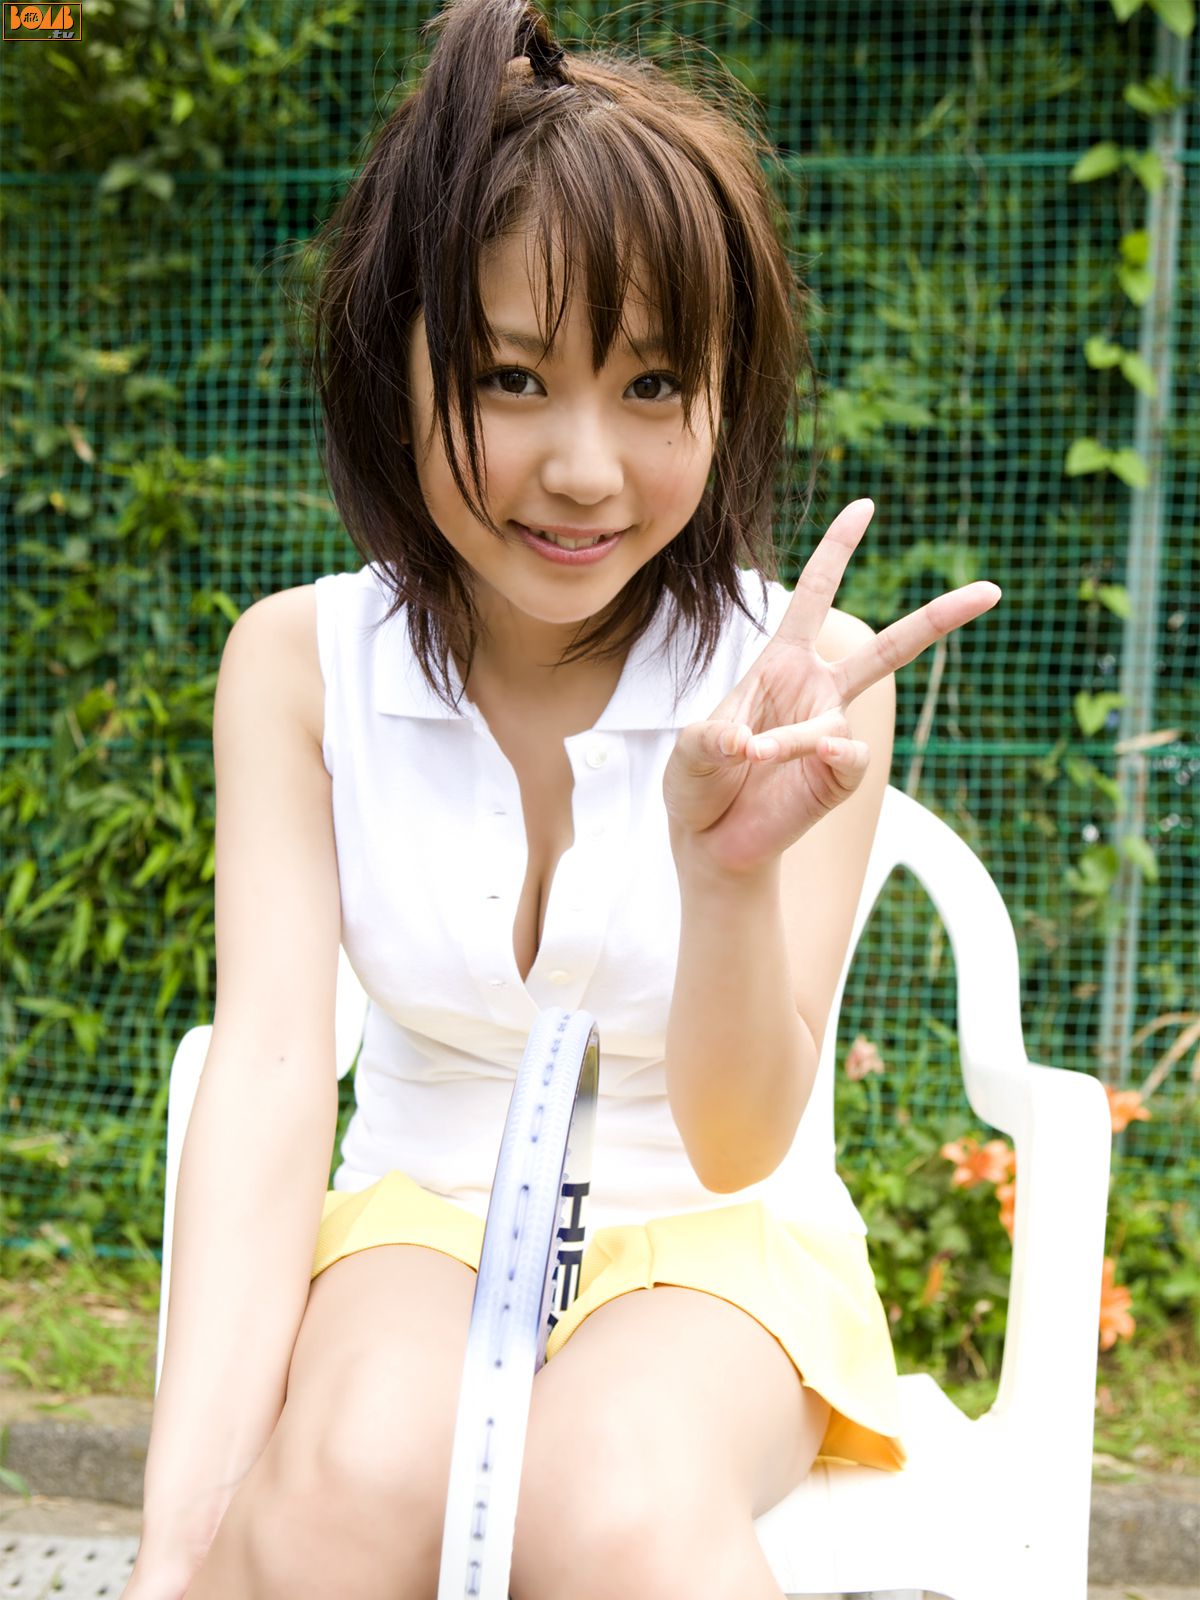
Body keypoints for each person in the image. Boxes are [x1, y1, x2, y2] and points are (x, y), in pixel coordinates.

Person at [126, 2, 1000, 1596]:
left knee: (610, 1501)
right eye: (515, 377)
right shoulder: (297, 668)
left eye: (654, 383)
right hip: (418, 1214)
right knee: (341, 1480)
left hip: (721, 1250)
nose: (587, 468)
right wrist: (174, 1541)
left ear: (727, 395)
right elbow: (267, 1081)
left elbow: (740, 1142)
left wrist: (726, 877)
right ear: (395, 365)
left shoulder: (804, 682)